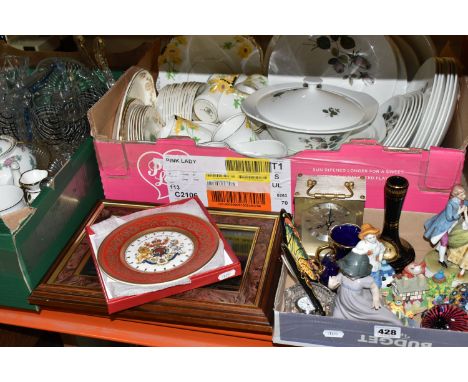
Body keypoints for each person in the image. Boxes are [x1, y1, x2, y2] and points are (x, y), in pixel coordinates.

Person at [328, 250, 401, 325]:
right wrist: (331, 285)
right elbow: (334, 285)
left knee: (378, 314)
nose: (352, 277)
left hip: (358, 305)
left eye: (356, 274)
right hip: (342, 305)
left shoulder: (363, 280)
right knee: (336, 321)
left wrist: (376, 299)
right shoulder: (342, 275)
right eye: (349, 273)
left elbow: (374, 287)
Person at [424, 184, 468, 268]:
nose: (464, 196)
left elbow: (466, 202)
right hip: (443, 225)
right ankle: (441, 260)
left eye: (464, 193)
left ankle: (438, 249)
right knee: (445, 241)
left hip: (452, 224)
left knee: (446, 239)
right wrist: (460, 212)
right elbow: (449, 217)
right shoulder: (450, 204)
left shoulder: (461, 200)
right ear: (456, 195)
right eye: (462, 194)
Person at [352, 223, 386, 288]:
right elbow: (354, 251)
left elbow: (382, 250)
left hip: (375, 266)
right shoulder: (362, 244)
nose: (373, 239)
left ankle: (377, 292)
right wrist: (365, 252)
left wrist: (380, 258)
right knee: (365, 283)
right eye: (370, 238)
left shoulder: (378, 243)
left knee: (377, 282)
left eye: (374, 237)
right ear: (365, 238)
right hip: (365, 268)